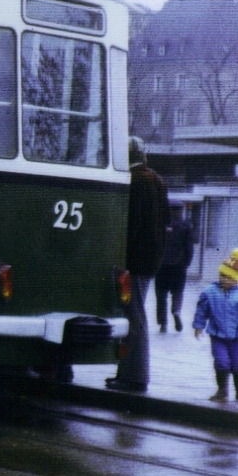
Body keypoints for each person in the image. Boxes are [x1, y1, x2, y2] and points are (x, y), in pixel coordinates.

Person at [106, 136, 170, 393]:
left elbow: (131, 224)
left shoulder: (135, 182)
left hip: (134, 259)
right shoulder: (156, 180)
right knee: (135, 312)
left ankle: (134, 375)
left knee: (134, 314)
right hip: (150, 259)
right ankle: (128, 372)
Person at [192, 250, 238, 402]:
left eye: (229, 277)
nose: (224, 279)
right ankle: (222, 390)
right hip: (217, 336)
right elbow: (202, 310)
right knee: (222, 362)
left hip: (236, 338)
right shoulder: (210, 292)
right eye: (222, 275)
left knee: (237, 364)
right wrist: (198, 326)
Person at [155, 206, 194, 333]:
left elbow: (155, 245)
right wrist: (186, 263)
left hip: (162, 266)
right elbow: (189, 247)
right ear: (180, 211)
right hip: (178, 266)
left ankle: (163, 323)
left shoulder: (161, 226)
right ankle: (176, 311)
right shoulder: (186, 226)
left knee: (161, 295)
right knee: (177, 292)